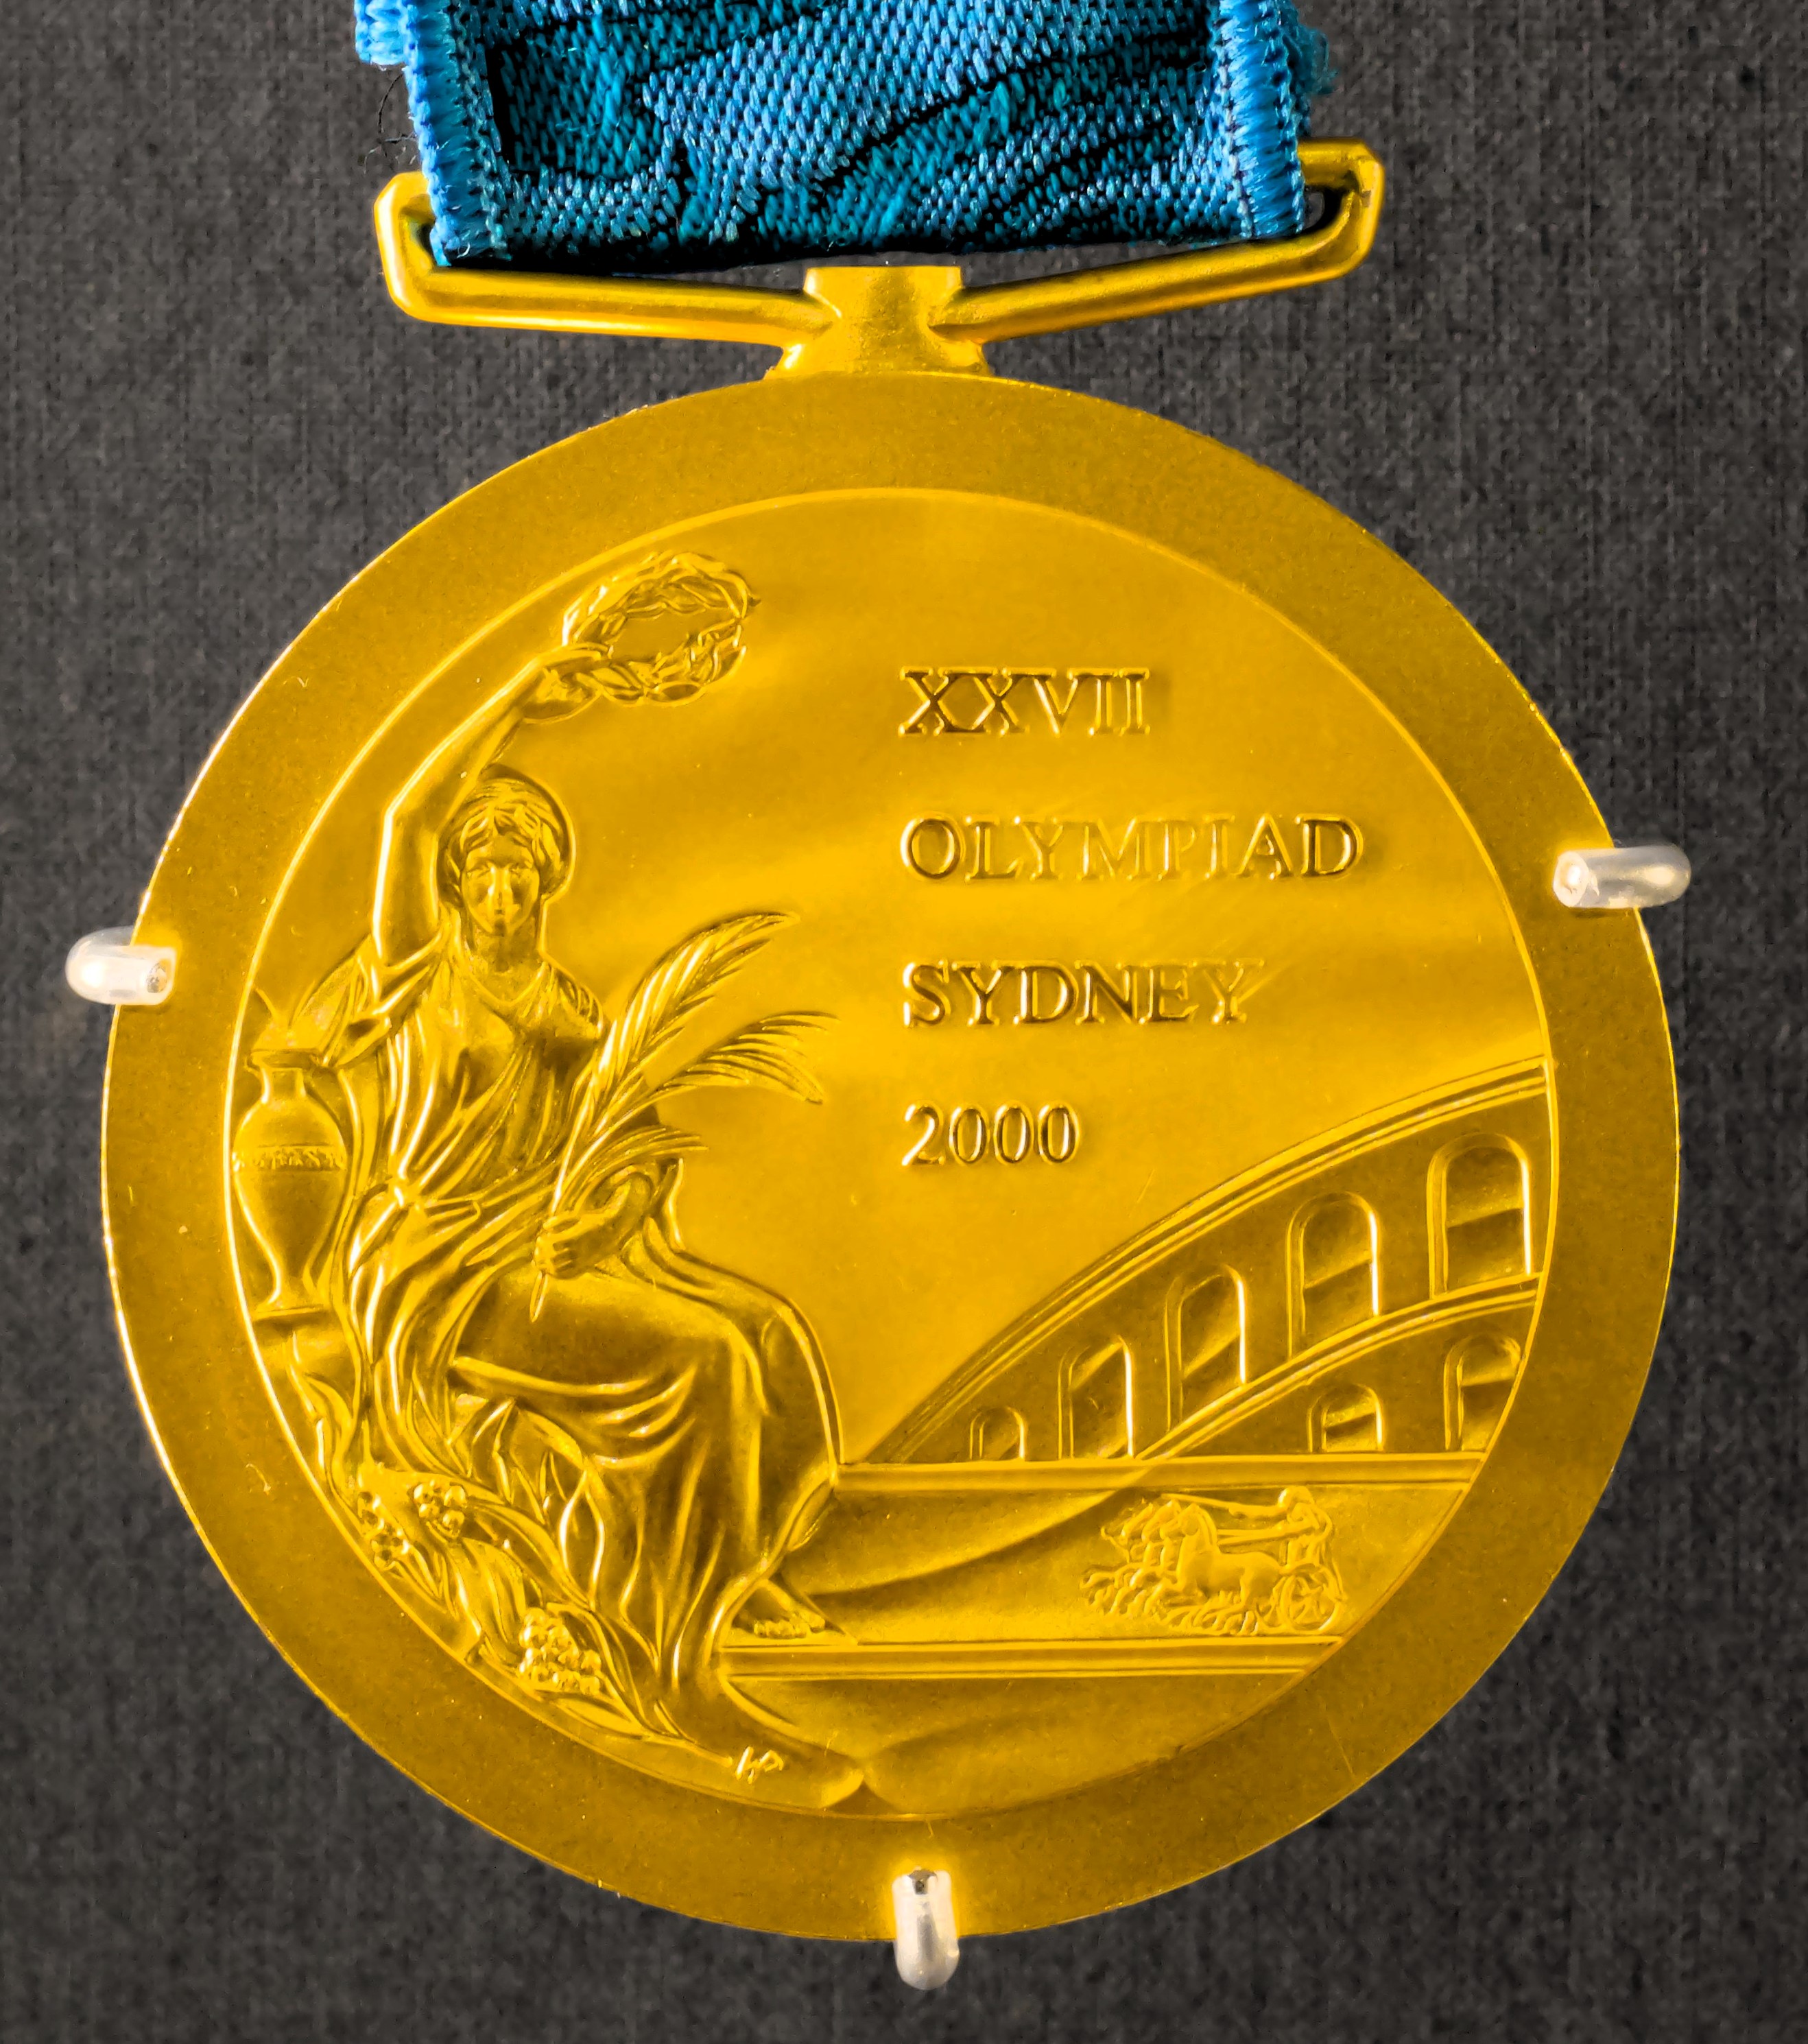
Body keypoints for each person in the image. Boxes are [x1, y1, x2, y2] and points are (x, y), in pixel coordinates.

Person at [292, 652, 840, 1774]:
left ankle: (738, 1573)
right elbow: (406, 816)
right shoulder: (416, 972)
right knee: (702, 1362)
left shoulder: (572, 1007)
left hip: (544, 1251)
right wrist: (529, 689)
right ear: (455, 886)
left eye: (518, 872)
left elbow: (631, 1148)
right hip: (441, 1271)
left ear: (545, 884)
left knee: (773, 1333)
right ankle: (680, 1670)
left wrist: (612, 1211)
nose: (498, 893)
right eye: (481, 872)